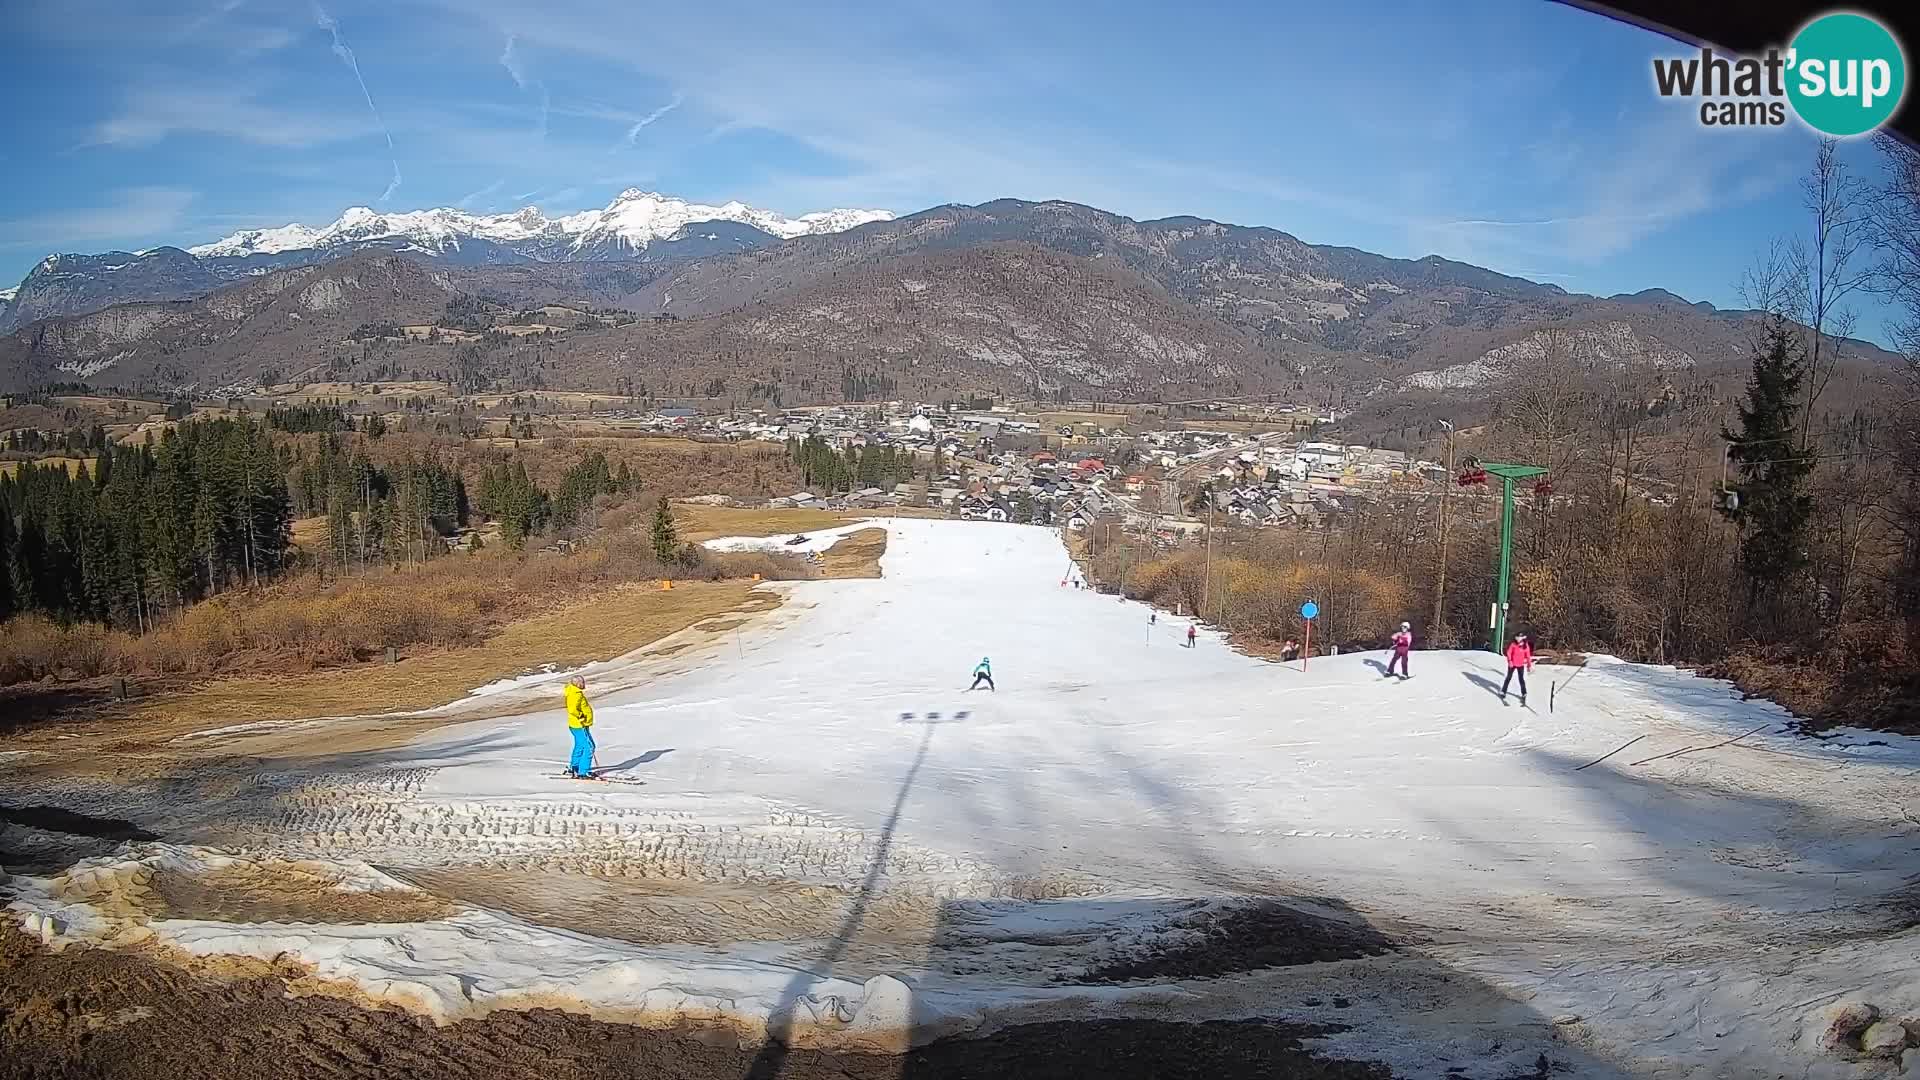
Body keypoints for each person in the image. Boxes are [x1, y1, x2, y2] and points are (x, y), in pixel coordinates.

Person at [563, 676, 596, 778]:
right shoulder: (575, 694)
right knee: (589, 747)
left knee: (580, 746)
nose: (584, 684)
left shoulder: (575, 692)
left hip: (579, 725)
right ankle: (583, 772)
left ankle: (575, 767)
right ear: (578, 684)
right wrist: (581, 716)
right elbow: (572, 709)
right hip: (579, 725)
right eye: (582, 682)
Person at [1501, 633, 1533, 703]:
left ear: (1522, 638)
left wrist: (1529, 665)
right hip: (1512, 664)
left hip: (1520, 664)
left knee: (1521, 679)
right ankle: (1503, 691)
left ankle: (1524, 693)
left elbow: (1528, 656)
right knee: (1508, 677)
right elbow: (1509, 653)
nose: (1518, 639)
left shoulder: (1525, 646)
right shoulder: (1513, 644)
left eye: (1520, 638)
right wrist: (1509, 661)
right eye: (1517, 637)